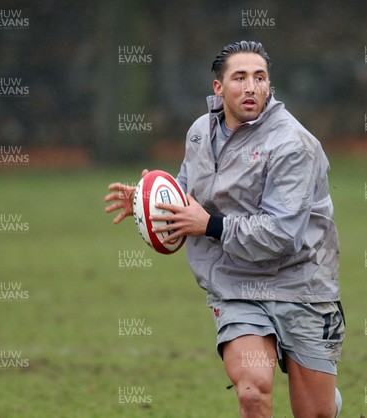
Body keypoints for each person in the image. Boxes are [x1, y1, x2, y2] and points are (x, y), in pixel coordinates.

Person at [105, 40, 344, 418]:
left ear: (270, 85)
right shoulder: (200, 132)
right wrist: (149, 201)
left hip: (302, 284)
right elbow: (190, 195)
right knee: (252, 392)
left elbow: (282, 235)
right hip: (237, 284)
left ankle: (326, 401)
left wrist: (210, 225)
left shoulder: (293, 145)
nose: (251, 87)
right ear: (219, 87)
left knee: (315, 413)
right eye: (240, 77)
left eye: (260, 78)